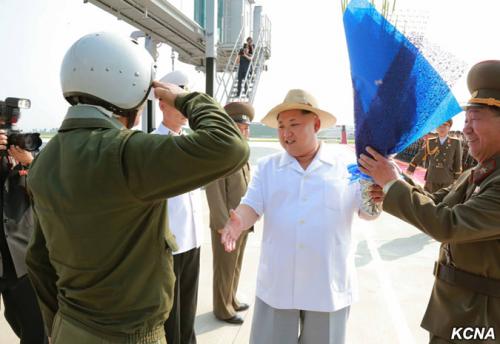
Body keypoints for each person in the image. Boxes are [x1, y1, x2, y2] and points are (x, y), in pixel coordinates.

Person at [25, 32, 249, 344]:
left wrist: (60, 326)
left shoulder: (43, 162)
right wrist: (185, 98)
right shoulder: (127, 153)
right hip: (130, 334)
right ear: (125, 92)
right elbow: (230, 147)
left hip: (70, 327)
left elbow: (37, 260)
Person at [221, 89, 380, 344]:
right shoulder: (269, 167)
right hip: (278, 283)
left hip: (327, 285)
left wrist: (376, 192)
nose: (286, 133)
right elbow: (251, 204)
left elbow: (367, 213)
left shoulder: (347, 165)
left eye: (294, 124)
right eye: (281, 126)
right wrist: (238, 220)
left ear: (315, 124)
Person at [358, 60, 500, 343]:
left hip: (483, 317)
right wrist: (395, 183)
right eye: (466, 120)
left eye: (476, 119)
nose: (467, 129)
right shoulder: (480, 171)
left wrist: (392, 185)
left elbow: (448, 224)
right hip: (456, 307)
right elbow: (440, 202)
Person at [152, 70, 203, 344]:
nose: (185, 110)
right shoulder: (151, 144)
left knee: (189, 312)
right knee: (171, 318)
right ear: (162, 103)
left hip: (193, 240)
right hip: (169, 245)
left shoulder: (191, 142)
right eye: (178, 101)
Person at [205, 102, 254, 325]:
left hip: (240, 222)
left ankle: (231, 299)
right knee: (224, 268)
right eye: (240, 127)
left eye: (246, 128)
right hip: (226, 225)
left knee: (235, 264)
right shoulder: (221, 152)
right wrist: (222, 224)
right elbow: (214, 192)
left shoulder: (239, 152)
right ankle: (222, 309)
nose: (245, 131)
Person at [0, 140, 47, 344]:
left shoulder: (26, 151)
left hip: (23, 258)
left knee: (34, 328)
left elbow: (51, 193)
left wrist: (31, 164)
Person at [407, 119, 463, 192]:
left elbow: (457, 162)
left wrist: (457, 179)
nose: (441, 128)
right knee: (427, 199)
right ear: (436, 128)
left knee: (442, 201)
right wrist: (411, 169)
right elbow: (419, 156)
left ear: (449, 127)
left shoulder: (455, 142)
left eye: (445, 125)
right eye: (439, 126)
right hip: (432, 178)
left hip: (447, 178)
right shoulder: (430, 142)